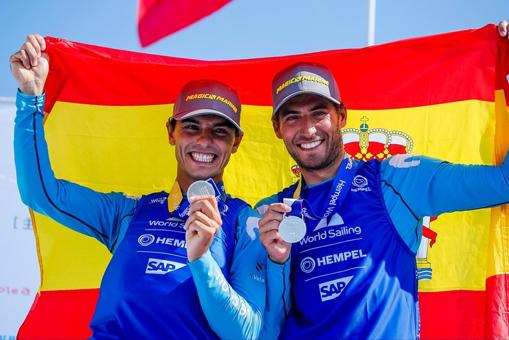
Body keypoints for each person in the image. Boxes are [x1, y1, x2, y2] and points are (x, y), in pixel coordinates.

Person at [11, 34, 265, 339]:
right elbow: (42, 193)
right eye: (191, 127)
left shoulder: (244, 222)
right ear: (172, 133)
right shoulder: (130, 211)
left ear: (235, 142)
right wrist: (30, 97)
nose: (204, 140)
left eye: (220, 131)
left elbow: (244, 333)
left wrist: (201, 261)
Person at [257, 37, 509, 338]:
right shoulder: (271, 212)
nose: (308, 128)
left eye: (318, 112)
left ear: (341, 116)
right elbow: (264, 328)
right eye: (292, 117)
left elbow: (502, 184)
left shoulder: (397, 180)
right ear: (277, 128)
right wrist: (275, 263)